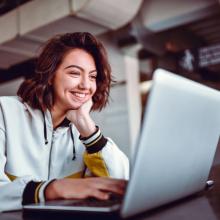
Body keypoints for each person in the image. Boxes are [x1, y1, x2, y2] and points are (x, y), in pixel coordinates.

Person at [0, 32, 129, 212]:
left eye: (92, 76)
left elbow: (117, 188)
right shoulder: (4, 112)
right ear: (50, 75)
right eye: (75, 73)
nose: (86, 85)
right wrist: (52, 189)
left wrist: (89, 131)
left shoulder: (84, 133)